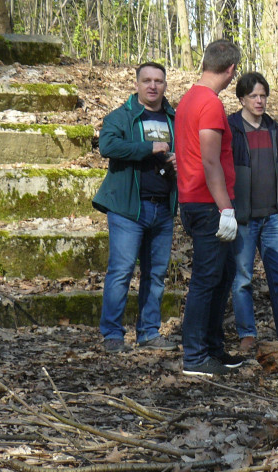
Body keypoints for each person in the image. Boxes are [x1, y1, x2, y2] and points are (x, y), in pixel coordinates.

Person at [93, 62, 178, 352]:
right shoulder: (122, 116)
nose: (153, 86)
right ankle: (112, 335)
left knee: (156, 274)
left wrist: (179, 160)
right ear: (137, 84)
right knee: (121, 272)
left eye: (158, 81)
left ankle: (149, 333)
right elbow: (107, 146)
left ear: (165, 85)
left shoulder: (174, 118)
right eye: (147, 80)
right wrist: (148, 148)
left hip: (163, 207)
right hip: (129, 208)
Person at [174, 39, 244, 377]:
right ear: (230, 70)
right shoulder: (210, 104)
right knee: (206, 279)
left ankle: (213, 348)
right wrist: (225, 209)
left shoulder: (189, 99)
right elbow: (210, 160)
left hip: (194, 201)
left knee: (223, 274)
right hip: (207, 204)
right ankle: (195, 356)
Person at [228, 72, 278, 353]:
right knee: (242, 279)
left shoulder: (273, 128)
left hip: (272, 217)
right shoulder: (232, 128)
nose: (259, 101)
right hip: (244, 218)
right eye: (254, 96)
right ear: (242, 99)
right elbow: (223, 169)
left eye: (263, 96)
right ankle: (247, 334)